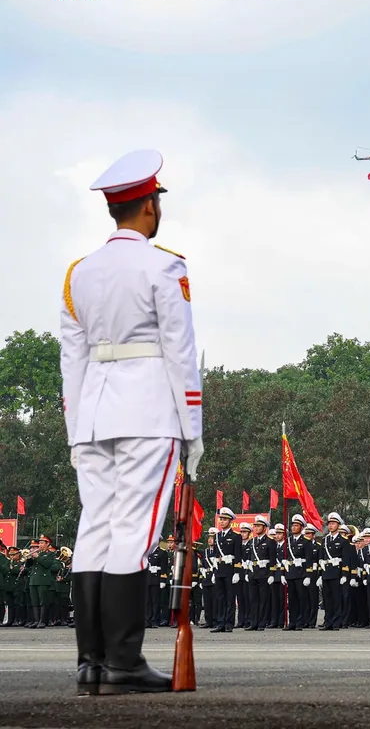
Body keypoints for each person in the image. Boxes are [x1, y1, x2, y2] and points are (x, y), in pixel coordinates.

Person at [60, 150, 203, 695]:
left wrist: (76, 430)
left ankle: (90, 661)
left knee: (94, 526)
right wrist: (192, 427)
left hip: (93, 413)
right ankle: (124, 660)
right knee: (134, 533)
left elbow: (71, 360)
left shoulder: (80, 272)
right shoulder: (164, 265)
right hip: (147, 409)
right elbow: (180, 350)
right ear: (149, 207)